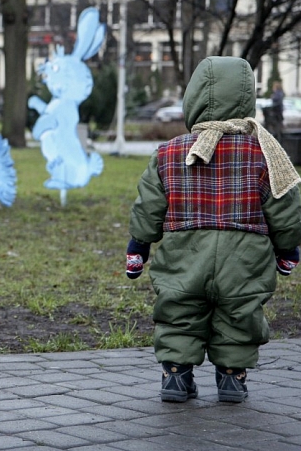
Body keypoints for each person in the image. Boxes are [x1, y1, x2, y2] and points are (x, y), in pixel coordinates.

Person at [126, 56, 301, 403]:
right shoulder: (265, 153)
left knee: (179, 312)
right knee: (239, 314)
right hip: (244, 259)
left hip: (183, 255)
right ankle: (232, 379)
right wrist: (288, 249)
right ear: (246, 97)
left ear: (192, 99)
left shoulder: (168, 153)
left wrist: (139, 245)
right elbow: (285, 207)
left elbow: (149, 206)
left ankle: (176, 376)